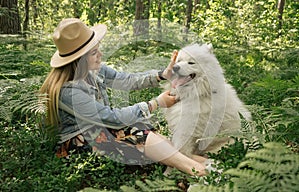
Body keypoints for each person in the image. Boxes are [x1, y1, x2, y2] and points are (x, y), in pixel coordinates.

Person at [40, 18, 209, 176]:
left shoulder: (94, 71)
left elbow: (127, 80)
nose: (100, 54)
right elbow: (111, 118)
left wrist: (162, 74)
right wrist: (155, 103)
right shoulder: (68, 92)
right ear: (78, 61)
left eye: (97, 48)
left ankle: (202, 163)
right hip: (82, 143)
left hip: (104, 130)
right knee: (135, 131)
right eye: (93, 53)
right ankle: (197, 170)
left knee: (140, 126)